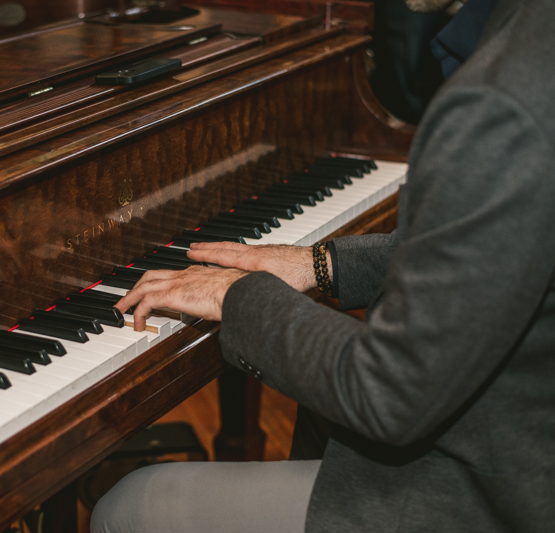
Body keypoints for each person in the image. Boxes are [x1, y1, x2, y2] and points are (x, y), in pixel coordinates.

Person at [90, 0, 555, 531]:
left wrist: (232, 296)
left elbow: (388, 395)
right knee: (320, 408)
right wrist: (323, 263)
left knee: (130, 508)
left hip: (505, 491)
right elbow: (505, 252)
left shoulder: (505, 100)